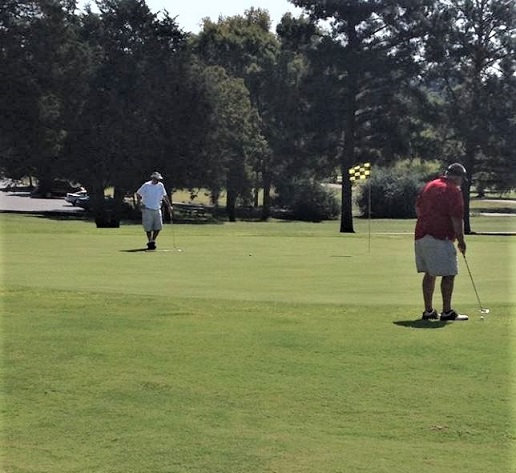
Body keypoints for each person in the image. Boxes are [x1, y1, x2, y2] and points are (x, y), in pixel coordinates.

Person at [414, 163, 469, 321]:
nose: (461, 182)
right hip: (440, 237)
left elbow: (418, 209)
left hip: (421, 235)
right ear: (457, 177)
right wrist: (461, 241)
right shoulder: (453, 190)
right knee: (449, 273)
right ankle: (447, 312)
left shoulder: (429, 185)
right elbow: (456, 219)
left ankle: (429, 311)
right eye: (461, 179)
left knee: (430, 273)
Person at [136, 171, 173, 250]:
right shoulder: (146, 185)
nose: (158, 180)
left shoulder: (160, 185)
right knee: (148, 228)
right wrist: (139, 204)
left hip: (157, 209)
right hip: (147, 209)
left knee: (158, 227)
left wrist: (169, 206)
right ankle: (150, 241)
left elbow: (165, 196)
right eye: (156, 179)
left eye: (158, 179)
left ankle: (152, 240)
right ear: (153, 178)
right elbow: (138, 194)